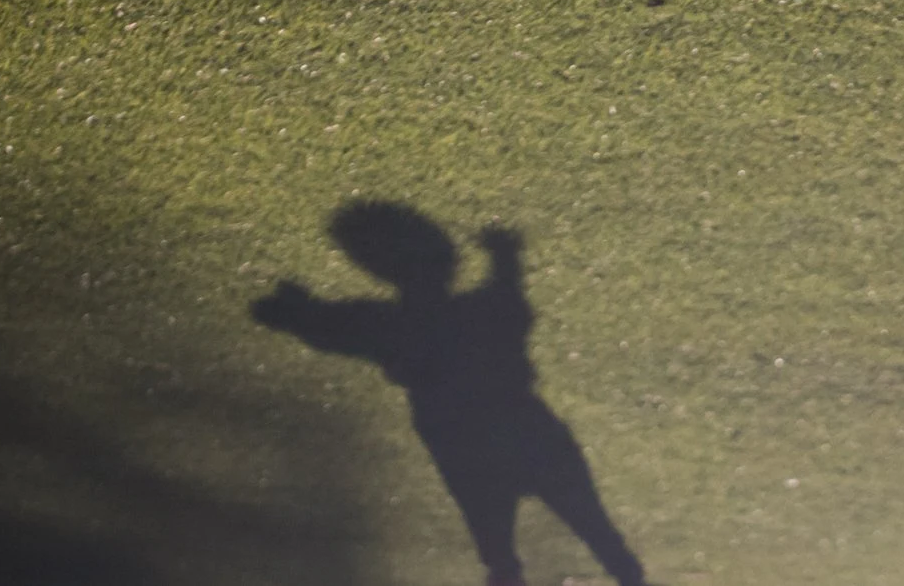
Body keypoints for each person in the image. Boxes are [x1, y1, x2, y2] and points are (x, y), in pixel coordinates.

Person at [253, 203, 649, 586]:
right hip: (530, 434)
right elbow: (508, 291)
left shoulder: (395, 326)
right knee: (596, 533)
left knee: (502, 552)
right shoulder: (465, 312)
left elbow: (328, 328)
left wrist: (294, 312)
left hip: (466, 448)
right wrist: (502, 253)